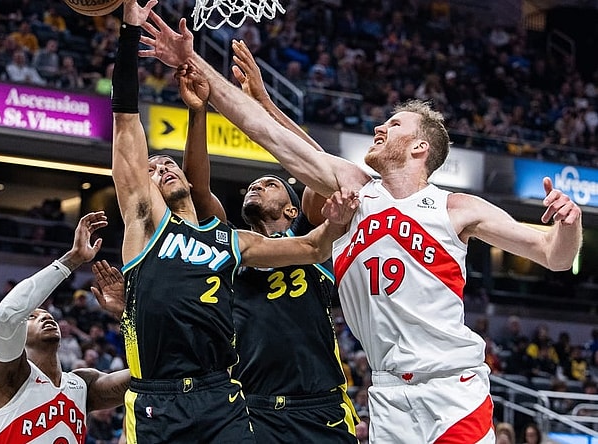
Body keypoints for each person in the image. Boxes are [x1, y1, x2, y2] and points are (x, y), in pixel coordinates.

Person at [139, 15, 583, 443]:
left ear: (419, 147)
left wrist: (569, 224)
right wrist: (192, 61)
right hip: (386, 395)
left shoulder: (457, 207)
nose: (378, 127)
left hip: (453, 387)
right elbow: (267, 134)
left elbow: (554, 255)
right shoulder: (355, 193)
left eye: (393, 125)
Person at [110, 1, 348, 442]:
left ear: (292, 210)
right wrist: (129, 36)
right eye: (153, 168)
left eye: (169, 164)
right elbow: (129, 127)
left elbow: (316, 216)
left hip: (266, 401)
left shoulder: (236, 242)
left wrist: (337, 223)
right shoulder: (154, 224)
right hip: (210, 399)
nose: (163, 168)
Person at [175, 45, 358, 442]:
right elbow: (198, 192)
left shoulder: (312, 236)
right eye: (255, 185)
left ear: (292, 210)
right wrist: (198, 111)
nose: (257, 185)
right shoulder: (230, 243)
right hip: (250, 405)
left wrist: (265, 104)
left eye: (270, 183)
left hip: (320, 404)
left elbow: (320, 166)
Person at [0, 211, 131, 443]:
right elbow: (9, 313)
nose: (45, 317)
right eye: (32, 317)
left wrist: (128, 316)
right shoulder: (10, 377)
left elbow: (146, 374)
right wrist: (72, 259)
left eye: (48, 314)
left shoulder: (81, 384)